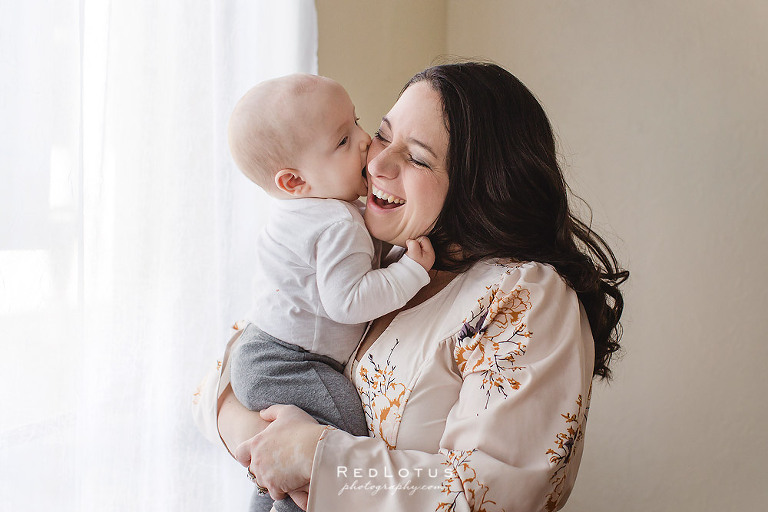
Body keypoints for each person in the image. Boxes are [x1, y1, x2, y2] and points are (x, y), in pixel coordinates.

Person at [210, 61, 628, 512]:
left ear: (479, 185)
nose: (376, 162)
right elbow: (227, 371)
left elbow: (491, 496)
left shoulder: (524, 294)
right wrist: (258, 442)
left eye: (417, 157)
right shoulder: (389, 257)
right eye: (383, 135)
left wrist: (312, 455)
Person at [224, 73, 436, 512]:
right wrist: (412, 272)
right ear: (294, 181)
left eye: (358, 124)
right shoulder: (338, 224)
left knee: (281, 464)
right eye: (343, 141)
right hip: (291, 361)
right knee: (341, 434)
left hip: (258, 351)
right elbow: (348, 301)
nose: (364, 142)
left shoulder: (303, 213)